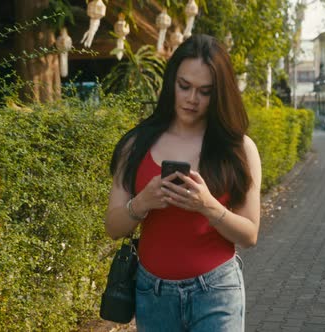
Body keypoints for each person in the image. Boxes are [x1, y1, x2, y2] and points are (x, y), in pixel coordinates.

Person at [105, 34, 262, 331]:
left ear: (219, 94)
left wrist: (208, 206)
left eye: (205, 91)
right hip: (153, 295)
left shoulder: (238, 149)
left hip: (217, 291)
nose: (192, 99)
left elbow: (249, 234)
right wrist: (142, 203)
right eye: (184, 86)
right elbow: (112, 227)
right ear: (171, 83)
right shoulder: (136, 145)